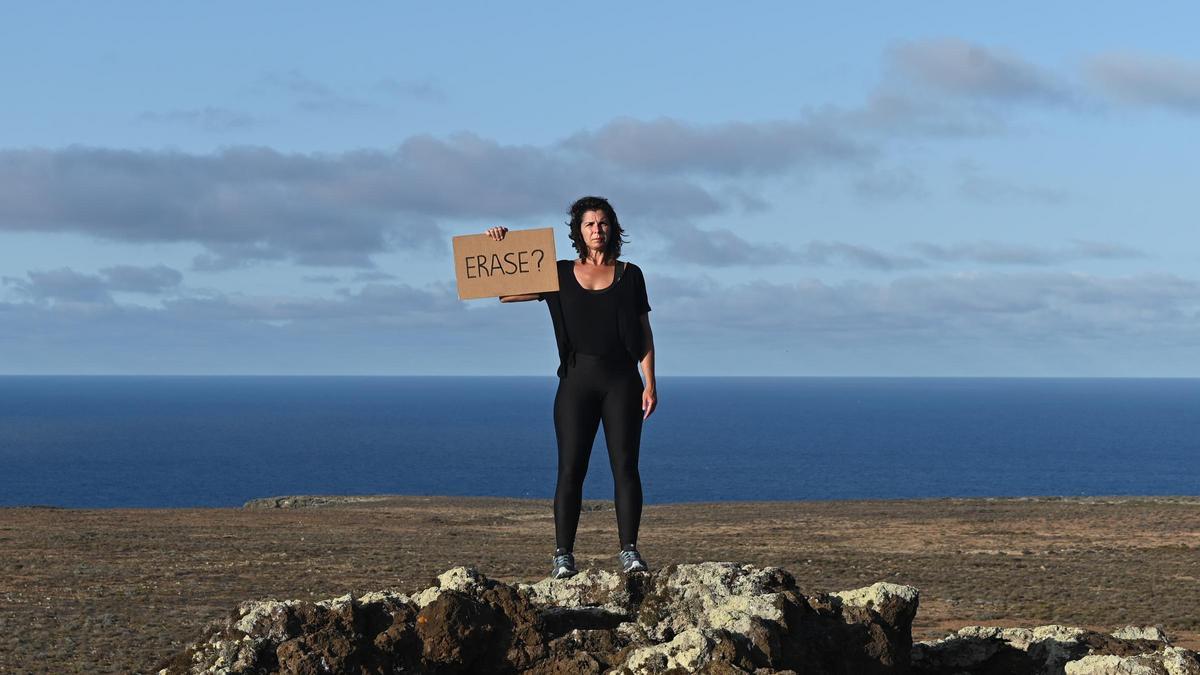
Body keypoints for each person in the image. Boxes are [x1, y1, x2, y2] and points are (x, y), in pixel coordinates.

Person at [488, 195, 657, 579]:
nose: (596, 229)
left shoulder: (631, 274)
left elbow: (644, 331)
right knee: (570, 471)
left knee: (626, 468)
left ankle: (630, 552)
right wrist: (501, 245)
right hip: (576, 382)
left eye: (602, 223)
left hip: (623, 382)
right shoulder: (558, 272)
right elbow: (505, 291)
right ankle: (563, 555)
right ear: (578, 231)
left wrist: (650, 382)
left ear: (612, 228)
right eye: (589, 224)